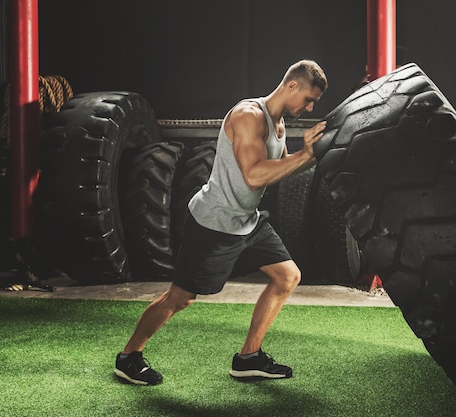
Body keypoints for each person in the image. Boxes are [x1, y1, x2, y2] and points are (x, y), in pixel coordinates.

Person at [114, 60, 328, 385]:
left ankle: (248, 358)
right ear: (292, 85)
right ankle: (129, 357)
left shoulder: (279, 125)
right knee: (180, 298)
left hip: (248, 222)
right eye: (309, 99)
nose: (309, 107)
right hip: (213, 224)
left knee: (287, 276)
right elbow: (255, 175)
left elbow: (278, 168)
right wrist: (305, 155)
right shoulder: (248, 116)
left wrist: (312, 154)